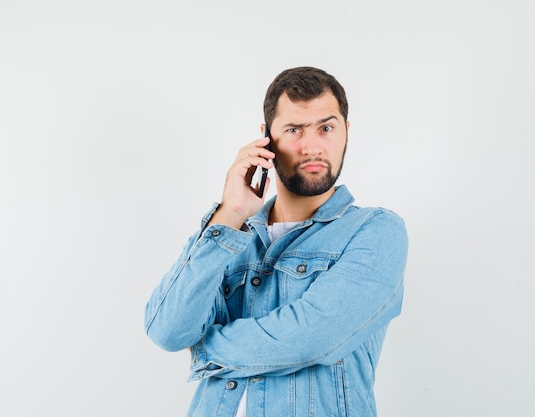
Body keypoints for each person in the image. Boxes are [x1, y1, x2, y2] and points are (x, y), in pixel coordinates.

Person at [144, 66, 408, 417]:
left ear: (346, 131)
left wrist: (205, 349)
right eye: (294, 129)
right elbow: (167, 330)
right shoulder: (230, 235)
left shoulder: (375, 231)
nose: (312, 146)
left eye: (326, 128)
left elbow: (310, 339)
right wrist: (231, 211)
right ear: (266, 138)